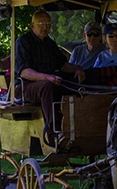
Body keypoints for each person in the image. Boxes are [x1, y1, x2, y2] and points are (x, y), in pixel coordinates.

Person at [15, 10, 85, 142]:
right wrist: (47, 77)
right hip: (25, 86)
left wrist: (78, 69)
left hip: (49, 82)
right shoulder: (23, 42)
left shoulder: (50, 44)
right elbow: (24, 71)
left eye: (48, 24)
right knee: (46, 86)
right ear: (32, 25)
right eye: (41, 24)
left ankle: (77, 124)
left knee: (74, 83)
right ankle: (54, 129)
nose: (45, 27)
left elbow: (63, 65)